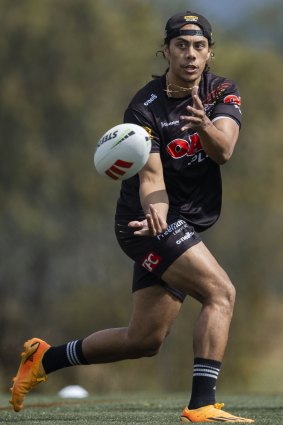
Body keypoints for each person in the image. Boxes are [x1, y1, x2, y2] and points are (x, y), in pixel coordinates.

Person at [10, 11, 254, 423]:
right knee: (221, 293)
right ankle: (202, 406)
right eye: (181, 46)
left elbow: (224, 150)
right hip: (145, 223)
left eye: (198, 47)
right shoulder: (144, 107)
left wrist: (205, 125)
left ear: (210, 52)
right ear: (167, 50)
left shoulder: (222, 91)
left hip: (184, 224)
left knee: (143, 339)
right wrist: (155, 210)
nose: (190, 55)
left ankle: (44, 359)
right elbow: (151, 177)